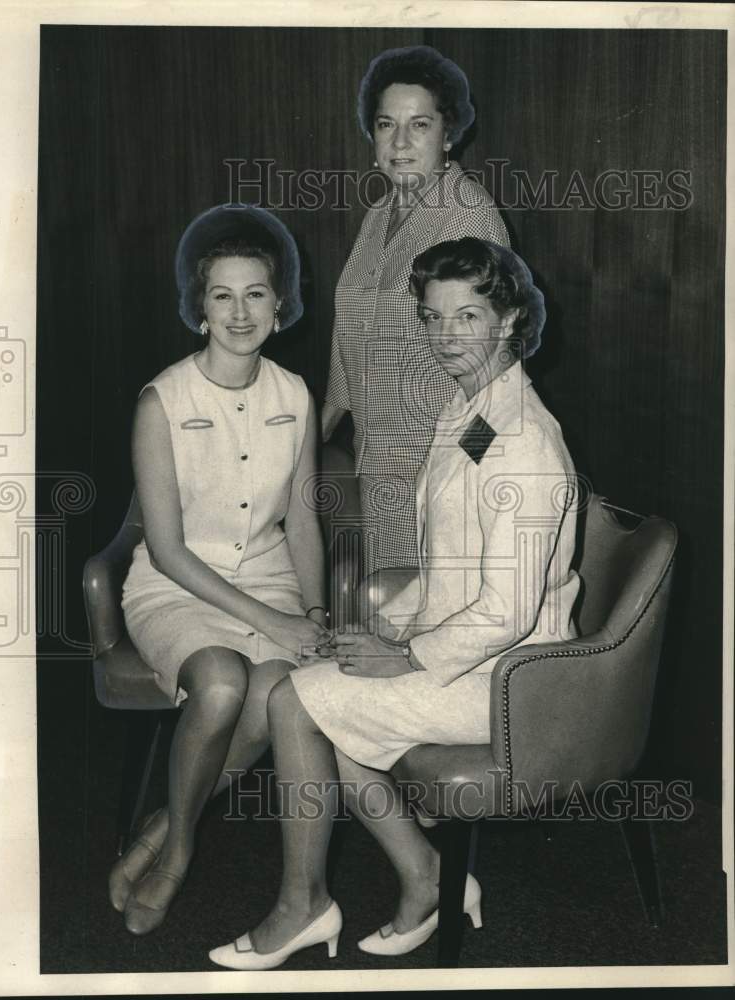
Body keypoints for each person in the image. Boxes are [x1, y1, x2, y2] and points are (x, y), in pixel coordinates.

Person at [209, 238, 580, 968]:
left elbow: (504, 610)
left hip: (511, 682)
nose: (446, 336)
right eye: (433, 317)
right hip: (470, 654)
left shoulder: (524, 444)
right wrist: (378, 629)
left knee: (293, 702)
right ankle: (425, 877)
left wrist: (402, 654)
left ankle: (303, 905)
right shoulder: (473, 409)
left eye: (467, 316)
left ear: (506, 320)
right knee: (323, 693)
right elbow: (454, 564)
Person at [111, 204, 330, 935]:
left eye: (256, 294)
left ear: (280, 304)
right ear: (198, 308)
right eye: (222, 295)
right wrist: (273, 622)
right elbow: (167, 550)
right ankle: (177, 853)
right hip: (175, 585)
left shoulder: (294, 395)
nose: (241, 312)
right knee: (221, 682)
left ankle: (155, 828)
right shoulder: (161, 401)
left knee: (275, 691)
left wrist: (316, 615)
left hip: (268, 580)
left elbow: (300, 519)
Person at [322, 44, 509, 575]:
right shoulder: (380, 214)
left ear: (449, 134)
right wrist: (313, 433)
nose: (400, 142)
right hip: (377, 458)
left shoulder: (468, 220)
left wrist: (465, 483)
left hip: (437, 465)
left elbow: (496, 365)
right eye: (386, 124)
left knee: (411, 623)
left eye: (419, 124)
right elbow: (349, 332)